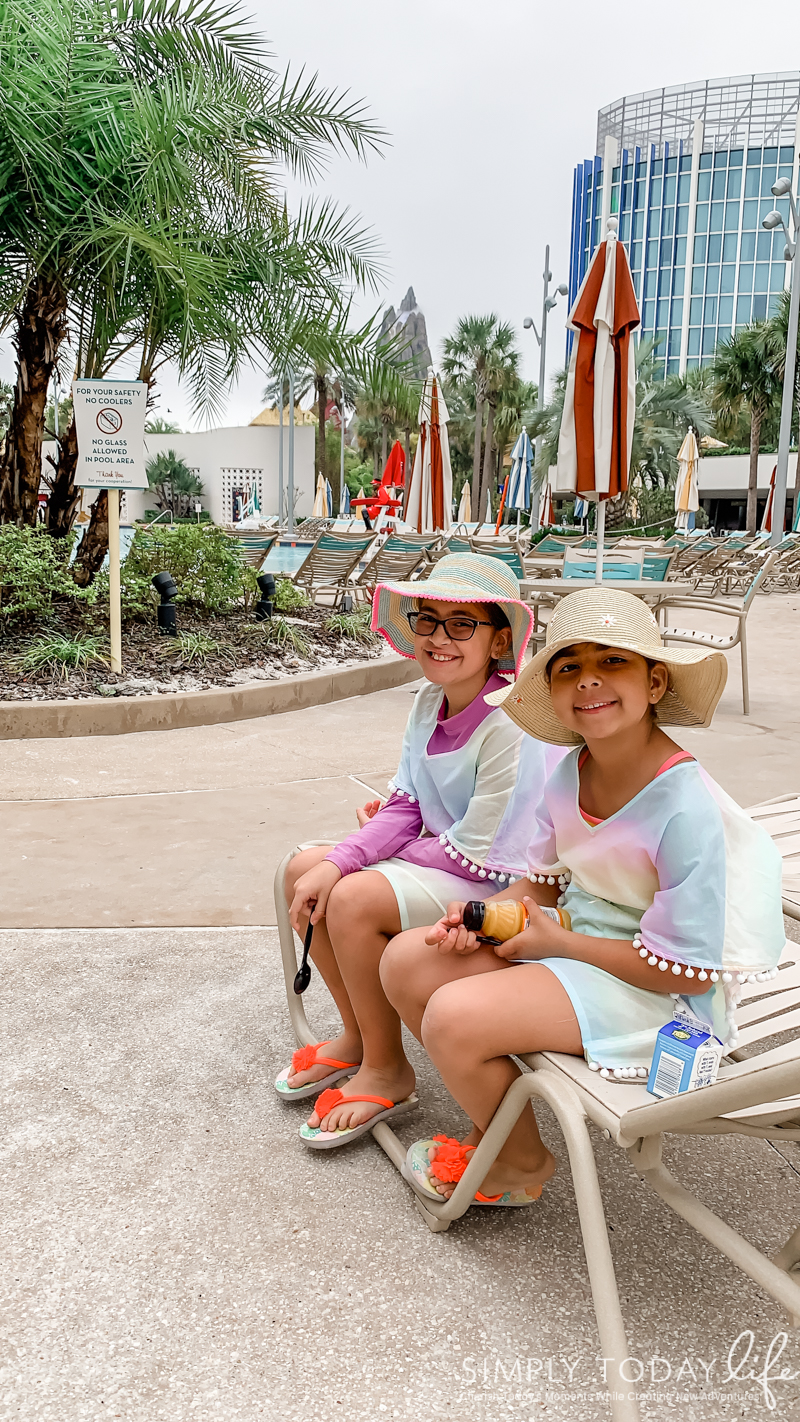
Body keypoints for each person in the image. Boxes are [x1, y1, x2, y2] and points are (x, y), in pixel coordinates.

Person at [380, 587, 785, 1208]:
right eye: (569, 667)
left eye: (612, 661)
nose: (589, 681)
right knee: (408, 962)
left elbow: (680, 968)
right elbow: (539, 885)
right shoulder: (569, 771)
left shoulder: (685, 806)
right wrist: (482, 918)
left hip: (659, 991)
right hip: (577, 941)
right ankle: (500, 1127)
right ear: (557, 696)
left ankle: (517, 1163)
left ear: (654, 683)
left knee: (455, 1018)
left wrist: (556, 940)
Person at [277, 555, 560, 1148]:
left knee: (353, 897)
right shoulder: (428, 703)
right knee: (307, 870)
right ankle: (357, 1036)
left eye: (462, 625)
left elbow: (482, 849)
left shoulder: (509, 722)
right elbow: (406, 804)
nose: (438, 637)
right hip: (446, 858)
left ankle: (387, 1069)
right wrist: (339, 859)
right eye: (427, 620)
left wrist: (366, 863)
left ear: (500, 638)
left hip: (498, 883)